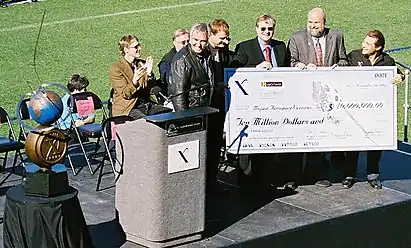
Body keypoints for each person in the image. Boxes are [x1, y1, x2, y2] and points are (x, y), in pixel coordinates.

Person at [231, 14, 301, 191]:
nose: (267, 32)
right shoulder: (245, 47)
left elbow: (285, 70)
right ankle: (247, 180)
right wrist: (255, 69)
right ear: (256, 29)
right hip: (252, 103)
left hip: (276, 103)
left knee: (273, 140)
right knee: (251, 143)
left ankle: (272, 177)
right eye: (263, 29)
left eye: (270, 29)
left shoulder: (279, 47)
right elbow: (234, 70)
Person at [287, 7, 348, 187]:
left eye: (316, 23)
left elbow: (344, 60)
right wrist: (299, 65)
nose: (312, 26)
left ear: (324, 23)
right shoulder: (297, 38)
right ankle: (294, 177)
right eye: (310, 23)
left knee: (320, 134)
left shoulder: (336, 36)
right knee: (299, 135)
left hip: (326, 97)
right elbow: (290, 62)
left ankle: (315, 174)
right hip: (303, 95)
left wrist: (337, 68)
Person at [341, 30, 404, 189]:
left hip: (376, 111)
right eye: (364, 41)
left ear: (378, 47)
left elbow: (398, 74)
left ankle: (373, 176)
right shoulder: (354, 56)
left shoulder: (387, 61)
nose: (363, 45)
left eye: (368, 43)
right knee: (353, 143)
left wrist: (401, 77)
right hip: (355, 108)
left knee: (375, 143)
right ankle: (349, 175)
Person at [109, 35, 170, 120]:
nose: (140, 48)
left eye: (139, 45)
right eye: (136, 47)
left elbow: (149, 90)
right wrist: (134, 82)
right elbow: (125, 94)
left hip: (145, 104)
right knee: (146, 121)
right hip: (128, 108)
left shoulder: (141, 64)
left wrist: (149, 75)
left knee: (168, 114)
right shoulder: (116, 68)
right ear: (126, 50)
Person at [206, 19, 234, 192]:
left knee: (216, 143)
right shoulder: (203, 52)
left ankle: (213, 178)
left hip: (220, 104)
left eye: (227, 39)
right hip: (206, 104)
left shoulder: (223, 51)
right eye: (222, 39)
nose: (225, 42)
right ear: (211, 35)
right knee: (207, 144)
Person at [168, 23, 213, 111]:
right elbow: (178, 94)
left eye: (203, 41)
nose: (198, 44)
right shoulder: (182, 60)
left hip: (206, 108)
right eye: (195, 39)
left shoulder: (207, 54)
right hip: (192, 111)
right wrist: (184, 118)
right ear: (190, 38)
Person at [58, 74, 95, 144]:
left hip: (79, 131)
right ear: (76, 89)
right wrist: (84, 122)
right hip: (68, 134)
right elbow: (77, 123)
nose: (86, 90)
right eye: (84, 89)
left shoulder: (84, 99)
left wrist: (83, 122)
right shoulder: (66, 101)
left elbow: (92, 118)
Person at [157, 29, 189, 96]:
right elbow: (171, 84)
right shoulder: (167, 62)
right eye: (183, 42)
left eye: (188, 41)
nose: (186, 45)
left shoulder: (192, 56)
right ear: (175, 43)